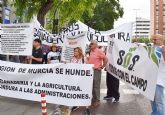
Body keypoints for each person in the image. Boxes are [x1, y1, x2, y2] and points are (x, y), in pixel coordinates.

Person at [86, 40, 108, 108]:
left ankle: (97, 100)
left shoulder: (98, 51)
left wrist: (102, 66)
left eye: (91, 44)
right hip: (91, 70)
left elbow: (106, 59)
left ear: (95, 45)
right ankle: (94, 98)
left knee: (96, 86)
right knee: (92, 85)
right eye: (90, 44)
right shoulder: (91, 51)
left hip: (96, 71)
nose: (90, 45)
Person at [150, 34, 165, 115]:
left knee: (159, 102)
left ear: (161, 40)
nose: (154, 41)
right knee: (152, 100)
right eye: (153, 39)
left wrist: (163, 51)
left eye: (155, 39)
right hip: (151, 79)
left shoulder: (163, 48)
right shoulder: (153, 48)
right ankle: (154, 113)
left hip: (159, 80)